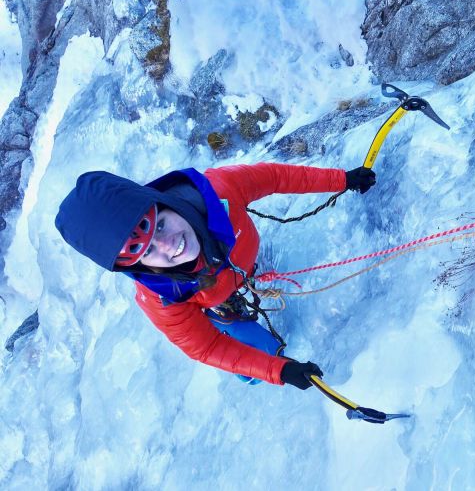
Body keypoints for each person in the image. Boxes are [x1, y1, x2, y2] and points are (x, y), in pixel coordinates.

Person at [55, 162, 376, 389]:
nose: (168, 246)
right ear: (135, 267)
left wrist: (341, 180)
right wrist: (279, 371)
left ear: (162, 203)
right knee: (260, 353)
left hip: (240, 269)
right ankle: (231, 322)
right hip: (215, 302)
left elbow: (277, 177)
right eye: (146, 252)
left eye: (160, 225)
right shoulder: (162, 299)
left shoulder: (220, 190)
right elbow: (206, 347)